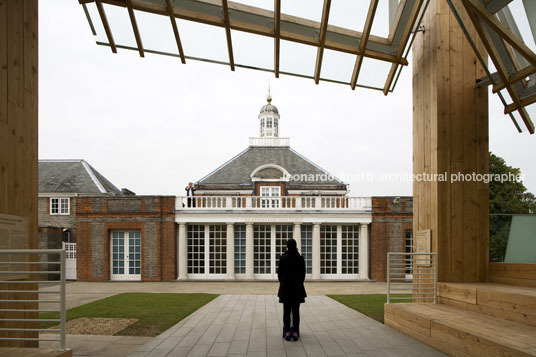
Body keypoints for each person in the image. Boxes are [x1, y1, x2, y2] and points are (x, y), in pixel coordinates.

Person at [278, 238, 306, 341]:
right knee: (296, 311)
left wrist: (283, 282)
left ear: (287, 246)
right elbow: (303, 274)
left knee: (286, 311)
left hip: (286, 288)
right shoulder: (300, 258)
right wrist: (298, 283)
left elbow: (279, 274)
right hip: (297, 288)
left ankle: (287, 333)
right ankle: (295, 333)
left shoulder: (283, 258)